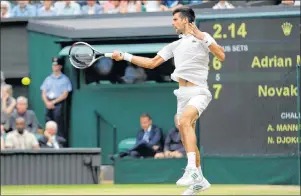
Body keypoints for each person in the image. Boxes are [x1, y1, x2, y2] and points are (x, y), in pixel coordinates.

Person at [110, 7, 225, 195]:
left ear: (186, 21)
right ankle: (200, 181)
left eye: (175, 19)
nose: (173, 23)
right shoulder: (175, 45)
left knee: (185, 121)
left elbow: (221, 55)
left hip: (199, 91)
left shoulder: (203, 37)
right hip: (182, 93)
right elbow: (151, 63)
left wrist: (203, 37)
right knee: (185, 134)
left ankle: (191, 171)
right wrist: (124, 56)